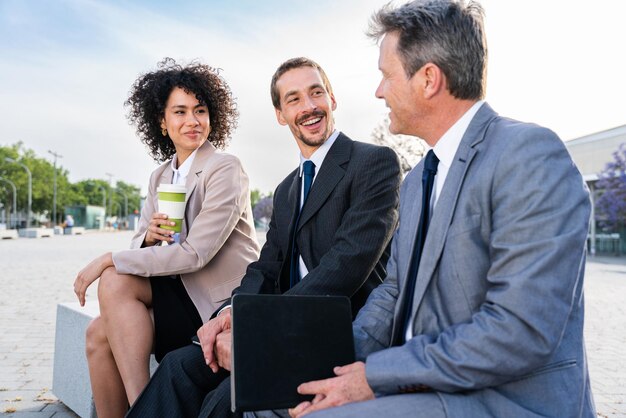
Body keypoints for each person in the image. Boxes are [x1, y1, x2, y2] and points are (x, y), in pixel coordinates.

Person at [283, 1, 596, 417]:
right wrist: (329, 366)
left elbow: (518, 330)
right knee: (273, 397)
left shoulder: (529, 155)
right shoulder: (415, 182)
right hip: (419, 385)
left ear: (428, 79)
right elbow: (391, 295)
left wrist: (374, 376)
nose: (379, 91)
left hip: (503, 401)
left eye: (386, 75)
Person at [126, 57, 402, 418]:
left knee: (223, 401)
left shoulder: (374, 162)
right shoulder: (288, 188)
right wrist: (230, 314)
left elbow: (346, 266)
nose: (308, 107)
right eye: (293, 99)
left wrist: (258, 329)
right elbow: (266, 266)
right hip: (281, 326)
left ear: (332, 99)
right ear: (280, 114)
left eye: (316, 93)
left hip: (337, 331)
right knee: (178, 367)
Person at [73, 58, 261, 418]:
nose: (192, 121)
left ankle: (147, 409)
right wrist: (147, 239)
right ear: (162, 122)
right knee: (97, 335)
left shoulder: (225, 168)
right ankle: (147, 408)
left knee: (112, 277)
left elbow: (196, 254)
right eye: (180, 112)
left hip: (216, 301)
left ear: (212, 116)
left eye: (200, 110)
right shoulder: (160, 176)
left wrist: (107, 258)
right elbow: (137, 246)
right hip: (177, 292)